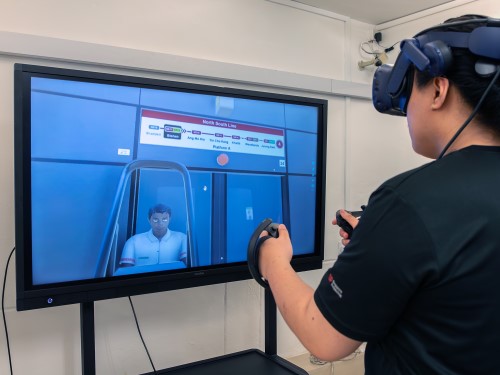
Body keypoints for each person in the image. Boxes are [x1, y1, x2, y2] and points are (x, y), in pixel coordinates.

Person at [257, 14, 500, 374]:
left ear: (437, 91)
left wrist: (272, 260)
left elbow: (324, 336)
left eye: (412, 89)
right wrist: (381, 247)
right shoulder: (414, 213)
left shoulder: (410, 200)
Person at [120, 204, 187, 267]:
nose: (160, 223)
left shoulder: (182, 239)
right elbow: (125, 272)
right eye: (155, 219)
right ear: (149, 219)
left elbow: (187, 267)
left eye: (164, 219)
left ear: (170, 219)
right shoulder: (133, 241)